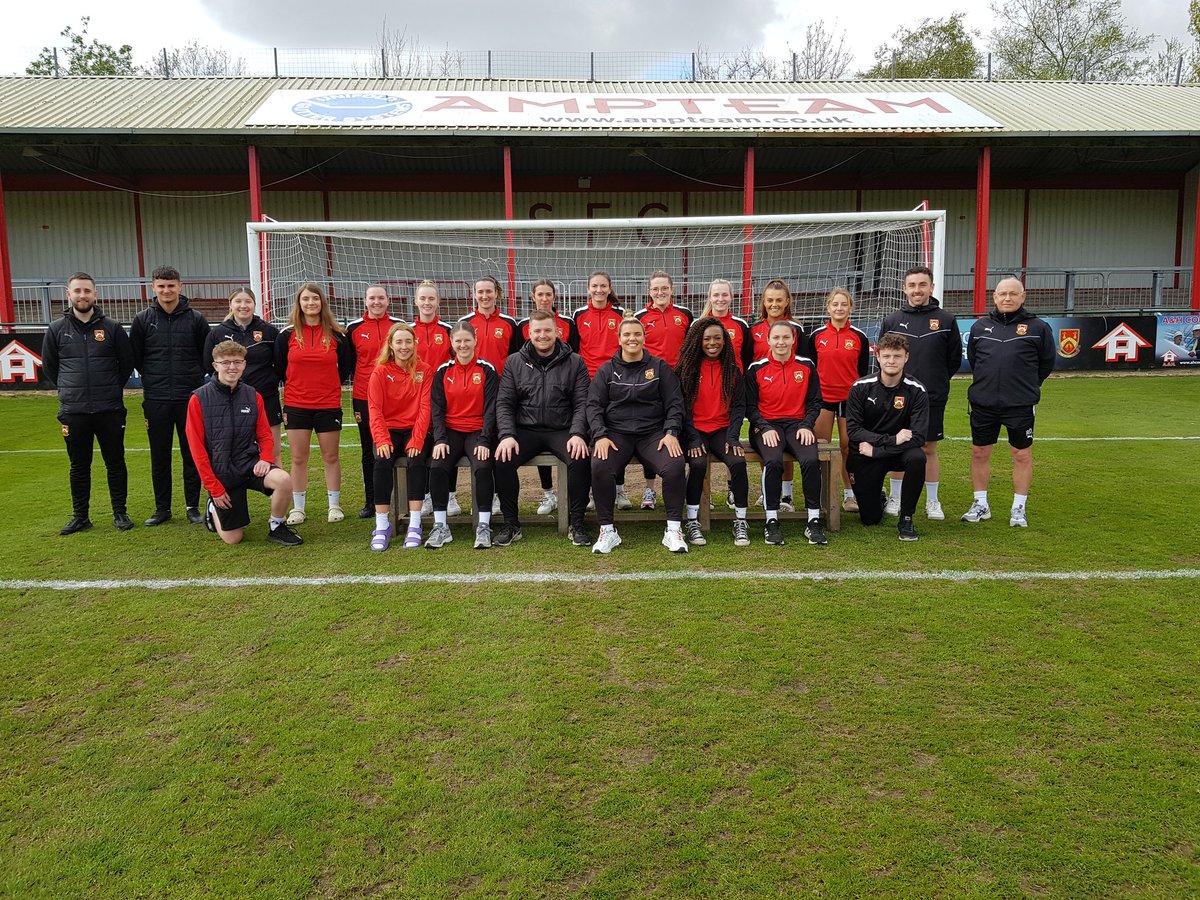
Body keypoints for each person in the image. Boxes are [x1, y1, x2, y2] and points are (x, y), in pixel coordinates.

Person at [41, 272, 135, 534]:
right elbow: (50, 367)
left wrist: (111, 388)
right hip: (74, 411)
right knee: (79, 466)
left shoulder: (112, 328)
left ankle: (120, 512)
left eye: (87, 291)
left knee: (115, 462)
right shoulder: (57, 329)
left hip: (109, 410)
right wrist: (70, 389)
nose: (82, 295)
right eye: (77, 291)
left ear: (95, 295)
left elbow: (126, 364)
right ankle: (81, 516)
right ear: (69, 295)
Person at [185, 340, 301, 546]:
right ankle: (213, 507)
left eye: (237, 362)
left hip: (249, 464)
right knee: (233, 538)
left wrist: (265, 458)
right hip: (222, 472)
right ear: (215, 366)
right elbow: (197, 450)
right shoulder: (199, 398)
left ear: (244, 365)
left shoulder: (252, 395)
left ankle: (277, 526)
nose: (232, 367)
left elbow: (265, 435)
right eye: (226, 362)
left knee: (283, 480)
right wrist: (214, 488)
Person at [586, 318, 688, 554]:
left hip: (652, 434)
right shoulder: (606, 370)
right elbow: (593, 406)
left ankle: (673, 530)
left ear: (644, 337)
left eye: (637, 334)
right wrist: (600, 435)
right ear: (619, 339)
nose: (632, 339)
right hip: (616, 434)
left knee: (674, 465)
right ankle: (607, 531)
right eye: (627, 335)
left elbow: (675, 404)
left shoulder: (660, 368)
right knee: (600, 465)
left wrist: (671, 432)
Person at [494, 309, 594, 547]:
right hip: (525, 429)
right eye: (537, 331)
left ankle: (576, 523)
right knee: (503, 458)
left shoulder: (576, 362)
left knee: (580, 458)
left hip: (562, 428)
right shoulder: (515, 362)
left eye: (547, 330)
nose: (542, 335)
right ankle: (511, 524)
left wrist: (578, 433)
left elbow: (582, 403)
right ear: (529, 332)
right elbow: (505, 403)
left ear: (557, 332)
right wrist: (507, 435)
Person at [963, 277, 1055, 528]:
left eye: (1013, 294)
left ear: (1023, 297)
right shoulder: (980, 327)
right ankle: (980, 504)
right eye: (1002, 293)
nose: (1007, 298)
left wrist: (1025, 387)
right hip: (983, 403)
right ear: (994, 297)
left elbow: (1046, 364)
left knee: (1021, 454)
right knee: (979, 452)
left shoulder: (1038, 327)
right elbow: (975, 360)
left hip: (1020, 405)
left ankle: (1018, 508)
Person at [879, 265, 963, 521]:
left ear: (931, 287)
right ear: (904, 289)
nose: (917, 290)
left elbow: (953, 360)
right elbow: (883, 360)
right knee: (897, 446)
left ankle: (933, 501)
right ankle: (895, 497)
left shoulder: (946, 320)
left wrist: (934, 382)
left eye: (922, 285)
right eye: (912, 285)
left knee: (928, 448)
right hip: (897, 396)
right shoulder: (892, 321)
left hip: (931, 396)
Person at [130, 264, 210, 526]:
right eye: (161, 286)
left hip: (190, 398)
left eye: (171, 285)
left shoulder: (196, 319)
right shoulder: (143, 320)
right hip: (157, 398)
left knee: (192, 454)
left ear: (180, 286)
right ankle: (162, 508)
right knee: (160, 455)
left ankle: (192, 507)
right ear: (154, 287)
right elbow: (138, 358)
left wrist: (192, 379)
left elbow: (206, 355)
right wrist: (155, 380)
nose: (166, 290)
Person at [274, 283, 353, 525]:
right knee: (299, 457)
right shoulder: (286, 335)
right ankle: (298, 508)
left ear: (322, 303)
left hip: (328, 404)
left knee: (331, 456)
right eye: (306, 299)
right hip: (297, 404)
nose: (311, 303)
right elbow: (280, 368)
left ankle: (334, 505)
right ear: (299, 303)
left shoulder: (337, 335)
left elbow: (346, 366)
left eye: (315, 299)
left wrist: (327, 385)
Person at [745, 321, 827, 546]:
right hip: (766, 426)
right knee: (773, 461)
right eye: (776, 338)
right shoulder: (756, 368)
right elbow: (750, 406)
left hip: (797, 425)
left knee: (810, 460)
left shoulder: (807, 365)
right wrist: (764, 427)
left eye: (786, 338)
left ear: (793, 340)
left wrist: (806, 425)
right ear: (768, 340)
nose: (781, 342)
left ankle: (813, 520)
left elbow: (814, 401)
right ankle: (771, 521)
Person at [845, 333, 929, 541]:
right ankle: (878, 497)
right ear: (878, 356)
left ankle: (906, 518)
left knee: (917, 457)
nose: (892, 361)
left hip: (892, 452)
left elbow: (918, 437)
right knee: (870, 518)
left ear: (906, 358)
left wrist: (879, 449)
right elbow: (854, 431)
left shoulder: (916, 390)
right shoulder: (860, 387)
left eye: (897, 356)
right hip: (865, 454)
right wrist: (890, 440)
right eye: (887, 356)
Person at [675, 317, 750, 547]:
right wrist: (693, 437)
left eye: (717, 338)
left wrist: (733, 436)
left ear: (725, 341)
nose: (712, 343)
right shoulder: (686, 369)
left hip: (721, 430)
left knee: (737, 462)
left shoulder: (732, 370)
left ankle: (740, 520)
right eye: (707, 338)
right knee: (697, 464)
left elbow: (738, 407)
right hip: (693, 430)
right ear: (698, 340)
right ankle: (692, 519)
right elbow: (682, 408)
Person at [426, 322, 499, 550]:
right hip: (451, 431)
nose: (463, 344)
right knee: (437, 466)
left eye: (467, 340)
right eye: (458, 340)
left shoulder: (487, 369)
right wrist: (440, 439)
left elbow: (491, 408)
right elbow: (436, 410)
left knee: (484, 466)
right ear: (451, 343)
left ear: (475, 340)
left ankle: (484, 526)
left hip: (478, 430)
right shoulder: (442, 371)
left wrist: (486, 439)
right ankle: (441, 527)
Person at [366, 322, 432, 550]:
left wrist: (417, 439)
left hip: (415, 429)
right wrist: (382, 439)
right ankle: (382, 524)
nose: (404, 346)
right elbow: (374, 409)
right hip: (389, 429)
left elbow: (425, 408)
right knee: (382, 461)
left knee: (416, 459)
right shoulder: (380, 372)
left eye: (408, 341)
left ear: (415, 343)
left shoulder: (425, 370)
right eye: (399, 342)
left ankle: (415, 523)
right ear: (391, 346)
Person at [571, 271, 633, 510]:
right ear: (588, 288)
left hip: (616, 378)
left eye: (603, 286)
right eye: (594, 286)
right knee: (590, 432)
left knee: (617, 430)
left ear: (609, 289)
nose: (598, 290)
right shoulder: (578, 315)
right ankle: (590, 490)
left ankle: (619, 490)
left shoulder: (620, 314)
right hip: (587, 382)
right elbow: (575, 349)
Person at [634, 270, 693, 511]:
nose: (660, 293)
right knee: (654, 432)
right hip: (651, 381)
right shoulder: (641, 316)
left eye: (664, 288)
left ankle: (689, 487)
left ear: (672, 289)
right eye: (656, 289)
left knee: (680, 429)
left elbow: (691, 348)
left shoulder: (685, 315)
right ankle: (649, 489)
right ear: (649, 292)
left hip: (680, 381)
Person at [808, 288, 870, 513]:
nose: (839, 308)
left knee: (847, 447)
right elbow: (810, 369)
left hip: (850, 401)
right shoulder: (816, 336)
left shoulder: (859, 336)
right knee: (820, 446)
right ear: (828, 307)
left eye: (844, 304)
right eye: (835, 304)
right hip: (823, 399)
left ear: (850, 308)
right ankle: (821, 493)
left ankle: (849, 494)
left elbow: (862, 372)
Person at [203, 287, 281, 465]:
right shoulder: (217, 333)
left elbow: (281, 364)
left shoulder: (269, 332)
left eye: (248, 301)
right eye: (238, 301)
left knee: (273, 453)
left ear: (254, 305)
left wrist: (268, 383)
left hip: (266, 397)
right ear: (230, 305)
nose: (243, 306)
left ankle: (278, 492)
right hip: (229, 400)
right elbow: (209, 365)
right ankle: (225, 492)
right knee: (225, 453)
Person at [516, 279, 574, 516]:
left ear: (553, 297)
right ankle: (547, 493)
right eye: (540, 294)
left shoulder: (569, 322)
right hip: (530, 389)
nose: (544, 298)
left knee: (572, 446)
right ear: (533, 297)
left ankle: (574, 506)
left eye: (548, 294)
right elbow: (521, 355)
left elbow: (573, 352)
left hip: (564, 387)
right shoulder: (521, 325)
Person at [748, 278, 806, 512]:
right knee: (768, 445)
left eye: (779, 300)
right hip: (763, 395)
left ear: (787, 302)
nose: (774, 304)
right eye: (770, 300)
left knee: (787, 447)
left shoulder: (797, 330)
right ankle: (768, 492)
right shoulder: (753, 330)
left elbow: (805, 364)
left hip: (791, 397)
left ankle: (787, 495)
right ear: (763, 302)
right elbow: (747, 361)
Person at [346, 284, 400, 518]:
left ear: (388, 301)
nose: (376, 302)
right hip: (363, 397)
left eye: (381, 298)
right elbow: (348, 363)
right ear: (365, 301)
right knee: (370, 450)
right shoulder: (354, 329)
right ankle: (371, 500)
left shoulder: (397, 327)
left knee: (397, 445)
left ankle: (402, 497)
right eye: (372, 298)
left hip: (394, 396)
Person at [410, 279, 459, 516]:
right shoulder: (408, 331)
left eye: (431, 298)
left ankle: (451, 496)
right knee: (425, 444)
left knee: (446, 442)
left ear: (438, 301)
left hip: (444, 397)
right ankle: (428, 495)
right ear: (416, 302)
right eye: (423, 298)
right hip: (415, 398)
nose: (427, 303)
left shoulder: (448, 331)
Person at [459, 276, 519, 375]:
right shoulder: (464, 323)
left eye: (489, 291)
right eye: (480, 292)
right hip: (473, 379)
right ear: (474, 294)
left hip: (501, 379)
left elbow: (514, 355)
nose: (485, 296)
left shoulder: (509, 323)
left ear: (496, 294)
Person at [700, 278, 754, 372]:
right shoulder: (698, 325)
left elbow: (747, 357)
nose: (720, 299)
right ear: (710, 297)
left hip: (734, 382)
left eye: (725, 295)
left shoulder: (741, 325)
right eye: (716, 295)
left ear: (731, 297)